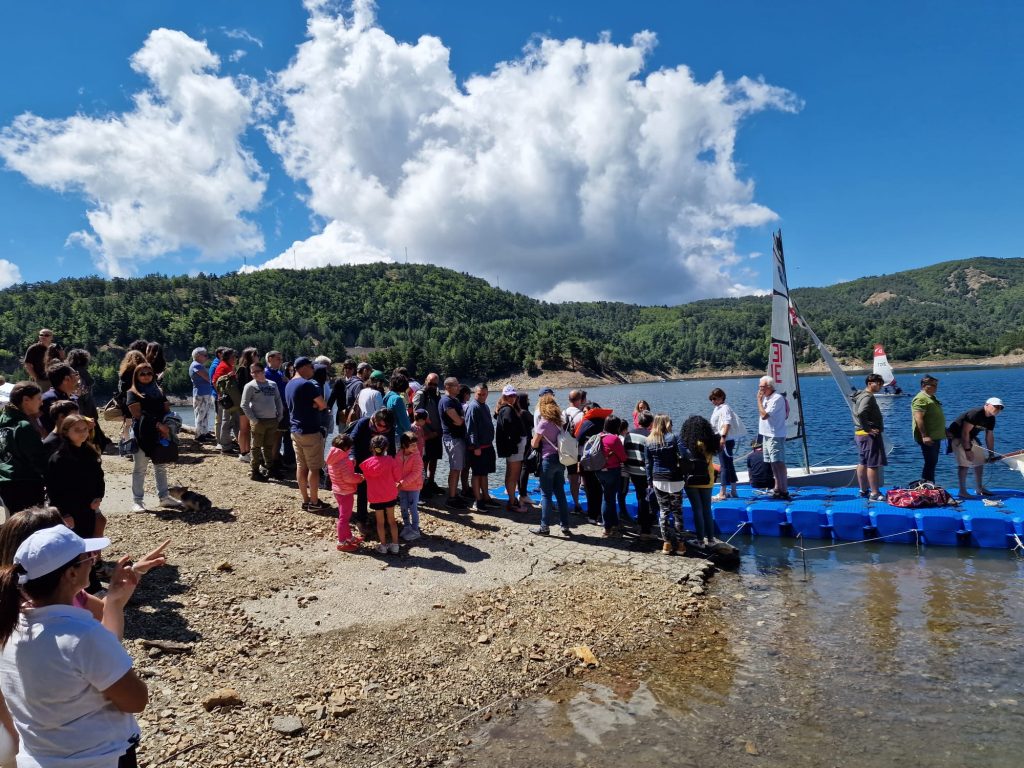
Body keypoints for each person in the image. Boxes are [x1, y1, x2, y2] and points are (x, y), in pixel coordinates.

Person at [0, 526, 148, 767]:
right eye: (88, 559)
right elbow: (136, 700)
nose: (93, 561)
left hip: (38, 758)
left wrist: (114, 602)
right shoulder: (81, 636)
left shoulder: (10, 628)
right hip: (99, 758)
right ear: (70, 574)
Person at [126, 363, 183, 513]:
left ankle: (164, 497)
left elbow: (166, 409)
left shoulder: (158, 391)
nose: (146, 376)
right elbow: (138, 414)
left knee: (160, 465)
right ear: (136, 376)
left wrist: (168, 426)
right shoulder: (132, 392)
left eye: (149, 373)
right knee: (140, 468)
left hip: (160, 432)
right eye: (142, 374)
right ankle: (137, 501)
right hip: (141, 433)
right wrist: (159, 425)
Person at [45, 414, 106, 539]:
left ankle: (92, 559)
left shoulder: (90, 452)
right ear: (66, 432)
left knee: (88, 539)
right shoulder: (59, 458)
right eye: (77, 430)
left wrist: (98, 496)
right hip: (69, 509)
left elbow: (99, 477)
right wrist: (64, 513)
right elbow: (53, 488)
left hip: (88, 506)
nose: (82, 433)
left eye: (85, 429)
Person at [285, 357, 330, 512]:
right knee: (314, 468)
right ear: (303, 367)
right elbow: (323, 404)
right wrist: (315, 406)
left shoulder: (289, 383)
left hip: (295, 430)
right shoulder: (307, 384)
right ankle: (314, 502)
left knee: (301, 466)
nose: (313, 370)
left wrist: (312, 405)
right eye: (311, 366)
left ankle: (305, 500)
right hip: (310, 431)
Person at [0, 383, 47, 514]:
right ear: (26, 400)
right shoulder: (23, 426)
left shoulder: (2, 421)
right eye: (38, 398)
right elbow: (38, 460)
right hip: (25, 485)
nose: (41, 402)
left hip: (4, 483)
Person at [645, 414, 688, 555]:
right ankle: (681, 545)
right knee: (677, 511)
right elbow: (685, 455)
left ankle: (666, 544)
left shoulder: (649, 440)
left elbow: (648, 463)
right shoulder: (675, 437)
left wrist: (649, 480)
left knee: (663, 511)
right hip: (675, 478)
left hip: (658, 478)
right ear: (667, 423)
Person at [529, 396, 571, 537]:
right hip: (560, 459)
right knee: (560, 493)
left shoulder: (543, 422)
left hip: (547, 460)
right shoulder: (561, 421)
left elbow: (535, 444)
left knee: (546, 494)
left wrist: (531, 441)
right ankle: (565, 525)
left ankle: (545, 527)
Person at [349, 409, 396, 534]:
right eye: (379, 425)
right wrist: (352, 456)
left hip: (379, 462)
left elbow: (391, 449)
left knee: (382, 489)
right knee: (363, 491)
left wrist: (393, 466)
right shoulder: (364, 422)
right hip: (361, 461)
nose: (381, 429)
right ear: (374, 419)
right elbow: (351, 440)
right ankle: (361, 519)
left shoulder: (390, 428)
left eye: (385, 427)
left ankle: (384, 520)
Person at [948, 397, 1003, 497]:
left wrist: (991, 453)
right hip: (957, 437)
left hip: (970, 438)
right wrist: (968, 450)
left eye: (1000, 408)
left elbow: (989, 436)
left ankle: (979, 488)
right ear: (986, 405)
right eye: (996, 406)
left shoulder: (991, 418)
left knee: (980, 461)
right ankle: (962, 491)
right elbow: (965, 432)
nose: (998, 409)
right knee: (964, 464)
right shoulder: (975, 413)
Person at [240, 361, 284, 483]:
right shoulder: (250, 386)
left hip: (272, 420)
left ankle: (270, 468)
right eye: (252, 372)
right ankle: (255, 471)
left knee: (269, 446)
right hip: (258, 421)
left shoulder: (272, 384)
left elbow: (278, 400)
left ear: (263, 371)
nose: (254, 374)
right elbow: (244, 405)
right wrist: (253, 419)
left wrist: (279, 415)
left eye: (257, 371)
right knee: (256, 447)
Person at [681, 415, 719, 546]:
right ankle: (711, 539)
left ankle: (700, 540)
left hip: (691, 479)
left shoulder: (687, 442)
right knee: (707, 509)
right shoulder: (711, 441)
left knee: (696, 509)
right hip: (707, 478)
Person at [361, 434, 402, 555]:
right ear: (386, 448)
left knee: (380, 522)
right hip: (390, 495)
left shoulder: (366, 464)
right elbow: (398, 478)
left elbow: (366, 478)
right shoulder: (391, 461)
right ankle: (395, 545)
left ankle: (383, 546)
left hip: (376, 497)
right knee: (392, 521)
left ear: (371, 448)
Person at [325, 433, 364, 552]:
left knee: (345, 516)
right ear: (346, 448)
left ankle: (349, 537)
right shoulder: (344, 460)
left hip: (337, 490)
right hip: (346, 492)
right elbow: (348, 478)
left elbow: (340, 472)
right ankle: (341, 542)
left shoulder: (332, 458)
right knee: (344, 518)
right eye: (350, 448)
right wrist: (359, 477)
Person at [852, 373, 887, 500]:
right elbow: (862, 412)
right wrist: (868, 429)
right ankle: (875, 493)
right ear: (869, 383)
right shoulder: (867, 397)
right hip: (868, 436)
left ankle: (863, 490)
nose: (880, 386)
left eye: (881, 384)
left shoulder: (861, 395)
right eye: (878, 383)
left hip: (860, 434)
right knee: (873, 464)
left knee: (863, 462)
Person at [756, 376, 790, 501]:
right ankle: (777, 487)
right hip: (766, 434)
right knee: (772, 462)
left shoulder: (777, 398)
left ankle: (784, 489)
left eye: (762, 387)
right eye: (760, 387)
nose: (760, 390)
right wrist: (761, 400)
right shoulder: (766, 398)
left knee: (779, 462)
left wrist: (758, 401)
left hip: (775, 434)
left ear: (769, 387)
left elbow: (764, 415)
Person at [594, 415, 628, 537]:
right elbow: (623, 458)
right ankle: (607, 527)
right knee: (609, 499)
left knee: (607, 497)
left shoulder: (599, 436)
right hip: (612, 471)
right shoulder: (614, 439)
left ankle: (613, 524)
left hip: (599, 471)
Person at [495, 385, 527, 513]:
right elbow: (509, 429)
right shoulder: (507, 410)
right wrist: (517, 440)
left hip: (513, 448)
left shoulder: (505, 409)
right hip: (514, 449)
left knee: (510, 474)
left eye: (514, 395)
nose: (512, 398)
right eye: (509, 396)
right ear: (504, 396)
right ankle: (512, 502)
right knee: (513, 475)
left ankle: (512, 500)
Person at [464, 383, 496, 512]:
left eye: (484, 394)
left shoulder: (485, 406)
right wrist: (475, 446)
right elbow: (470, 428)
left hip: (487, 446)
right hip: (478, 448)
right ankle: (478, 501)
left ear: (487, 393)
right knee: (477, 474)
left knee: (484, 473)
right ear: (474, 394)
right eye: (479, 394)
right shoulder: (473, 407)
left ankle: (486, 497)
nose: (482, 396)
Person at [709, 387, 744, 500]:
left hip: (725, 439)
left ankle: (722, 492)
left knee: (724, 466)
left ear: (721, 398)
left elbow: (727, 423)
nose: (713, 401)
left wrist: (723, 438)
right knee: (729, 465)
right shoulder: (718, 408)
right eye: (711, 399)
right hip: (723, 438)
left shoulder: (724, 408)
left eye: (715, 399)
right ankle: (733, 490)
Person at [623, 410, 654, 539]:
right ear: (651, 423)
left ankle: (642, 522)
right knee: (646, 499)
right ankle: (645, 530)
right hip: (644, 472)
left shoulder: (629, 435)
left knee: (640, 496)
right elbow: (650, 457)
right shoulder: (649, 436)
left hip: (632, 471)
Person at [439, 377, 468, 509]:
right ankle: (451, 498)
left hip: (458, 437)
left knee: (458, 468)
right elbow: (458, 420)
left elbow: (461, 419)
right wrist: (461, 419)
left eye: (458, 385)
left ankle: (455, 494)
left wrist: (461, 419)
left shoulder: (454, 400)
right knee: (455, 468)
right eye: (455, 385)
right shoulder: (446, 401)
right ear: (448, 387)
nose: (458, 387)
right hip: (452, 438)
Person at [412, 373, 443, 492]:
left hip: (437, 433)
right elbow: (417, 415)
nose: (433, 386)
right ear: (425, 381)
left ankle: (431, 481)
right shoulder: (420, 394)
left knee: (434, 458)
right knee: (424, 460)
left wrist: (437, 431)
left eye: (435, 384)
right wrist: (428, 433)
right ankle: (422, 484)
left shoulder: (437, 393)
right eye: (430, 383)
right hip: (424, 434)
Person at [911, 375, 946, 483]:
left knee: (933, 461)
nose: (935, 387)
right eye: (932, 385)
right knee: (930, 461)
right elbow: (918, 418)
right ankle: (927, 485)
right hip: (928, 437)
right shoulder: (920, 398)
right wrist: (924, 436)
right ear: (924, 385)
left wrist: (945, 430)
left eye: (936, 385)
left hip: (936, 436)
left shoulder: (931, 397)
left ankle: (929, 485)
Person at [265, 351, 294, 471]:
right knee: (274, 436)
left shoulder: (278, 372)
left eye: (281, 359)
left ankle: (275, 459)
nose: (281, 361)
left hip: (283, 408)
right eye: (278, 359)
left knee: (279, 435)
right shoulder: (267, 374)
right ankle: (272, 462)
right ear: (270, 359)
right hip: (275, 409)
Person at [562, 389, 587, 512]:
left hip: (564, 450)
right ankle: (577, 504)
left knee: (566, 477)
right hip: (577, 451)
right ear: (580, 400)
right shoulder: (582, 415)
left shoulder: (562, 413)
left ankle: (572, 502)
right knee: (577, 478)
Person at [397, 431, 424, 541]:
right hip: (402, 487)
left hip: (413, 487)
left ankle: (415, 529)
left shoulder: (417, 457)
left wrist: (403, 482)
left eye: (415, 445)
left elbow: (416, 473)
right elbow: (395, 469)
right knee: (403, 507)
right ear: (404, 445)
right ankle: (407, 526)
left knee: (413, 508)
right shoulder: (399, 455)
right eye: (412, 445)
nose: (415, 447)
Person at [39, 363, 80, 434]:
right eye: (76, 374)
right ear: (66, 379)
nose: (78, 378)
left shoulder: (73, 397)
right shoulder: (48, 400)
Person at [235, 348, 260, 462]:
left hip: (246, 402)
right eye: (256, 355)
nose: (258, 357)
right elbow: (243, 388)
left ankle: (246, 451)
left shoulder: (244, 369)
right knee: (244, 428)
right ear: (250, 356)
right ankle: (244, 452)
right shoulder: (244, 370)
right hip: (245, 403)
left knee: (246, 428)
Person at [189, 347, 216, 443]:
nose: (206, 357)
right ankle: (199, 435)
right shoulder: (196, 365)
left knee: (205, 414)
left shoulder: (198, 365)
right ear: (198, 356)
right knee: (200, 414)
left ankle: (204, 432)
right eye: (205, 355)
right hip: (201, 393)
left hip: (204, 392)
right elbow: (207, 377)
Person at [516, 393, 534, 506]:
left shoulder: (516, 411)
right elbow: (535, 424)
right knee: (525, 467)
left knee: (520, 466)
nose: (529, 400)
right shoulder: (525, 412)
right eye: (527, 399)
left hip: (519, 442)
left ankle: (520, 490)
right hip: (526, 442)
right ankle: (523, 494)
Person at [383, 373, 412, 441]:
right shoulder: (397, 399)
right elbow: (404, 421)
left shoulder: (388, 395)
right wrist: (410, 430)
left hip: (389, 432)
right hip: (398, 434)